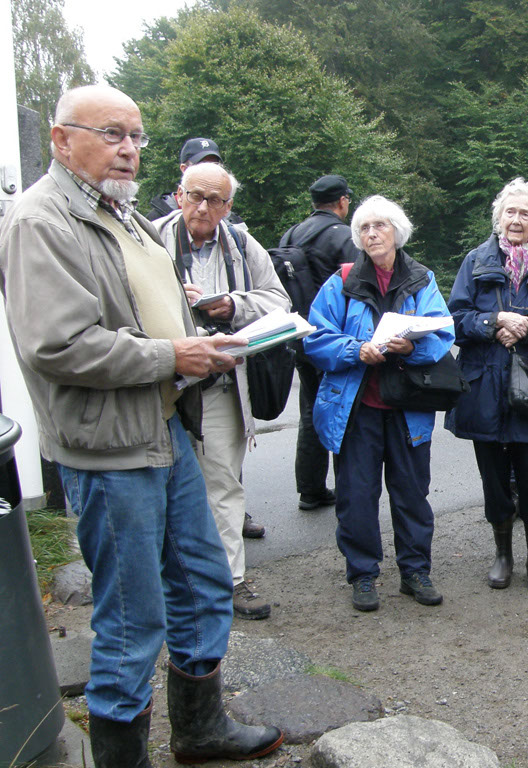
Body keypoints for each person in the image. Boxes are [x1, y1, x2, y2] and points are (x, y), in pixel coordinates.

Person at [0, 84, 282, 766]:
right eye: (112, 134)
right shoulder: (40, 220)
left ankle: (198, 729)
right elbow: (57, 344)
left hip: (164, 429)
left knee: (204, 582)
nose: (129, 149)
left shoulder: (120, 212)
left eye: (136, 135)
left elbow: (152, 308)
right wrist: (172, 355)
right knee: (132, 618)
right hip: (107, 448)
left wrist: (202, 348)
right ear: (63, 140)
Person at [304, 195, 454, 612]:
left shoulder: (422, 279)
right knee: (357, 495)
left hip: (408, 407)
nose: (371, 234)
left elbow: (442, 334)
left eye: (380, 226)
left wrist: (409, 348)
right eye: (364, 228)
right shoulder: (342, 280)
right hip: (357, 409)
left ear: (397, 231)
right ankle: (363, 575)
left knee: (411, 494)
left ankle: (415, 572)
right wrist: (356, 350)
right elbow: (315, 337)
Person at [154, 163, 290, 620]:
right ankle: (168, 584)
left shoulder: (242, 245)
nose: (203, 207)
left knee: (223, 486)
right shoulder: (149, 238)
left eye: (216, 200)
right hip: (157, 385)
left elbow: (278, 300)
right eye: (195, 195)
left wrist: (233, 305)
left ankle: (230, 581)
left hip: (220, 387)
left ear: (228, 207)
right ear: (178, 195)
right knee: (159, 487)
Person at [446, 178, 528, 592]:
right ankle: (502, 554)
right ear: (498, 217)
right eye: (510, 212)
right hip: (484, 386)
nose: (517, 220)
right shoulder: (475, 261)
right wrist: (494, 322)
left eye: (526, 213)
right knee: (493, 478)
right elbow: (454, 320)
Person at [283, 174, 360, 512]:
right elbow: (360, 287)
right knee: (345, 409)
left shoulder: (292, 234)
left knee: (310, 411)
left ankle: (311, 488)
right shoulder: (345, 236)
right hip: (336, 340)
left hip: (300, 335)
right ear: (343, 201)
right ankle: (352, 487)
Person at [146, 137, 243, 227]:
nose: (208, 170)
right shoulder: (155, 220)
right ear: (184, 169)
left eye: (214, 165)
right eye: (200, 165)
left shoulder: (232, 222)